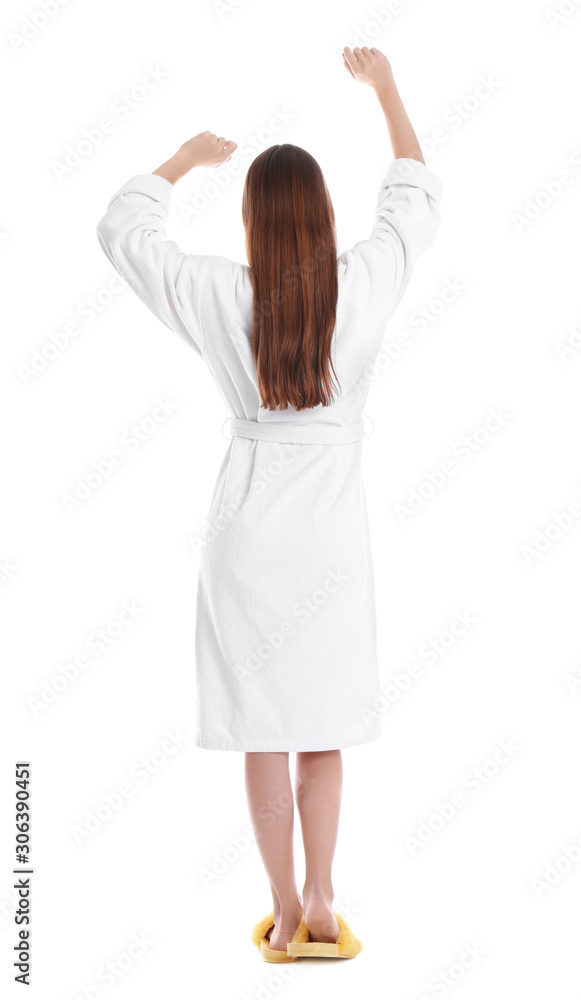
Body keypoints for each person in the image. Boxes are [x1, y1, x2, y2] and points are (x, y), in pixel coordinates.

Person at [96, 45, 442, 960]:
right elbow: (412, 196)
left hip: (245, 532)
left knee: (264, 725)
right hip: (331, 534)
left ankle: (285, 912)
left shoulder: (219, 295)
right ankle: (326, 897)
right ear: (323, 217)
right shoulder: (361, 287)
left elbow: (125, 234)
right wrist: (385, 88)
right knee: (319, 723)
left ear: (250, 221)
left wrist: (178, 162)